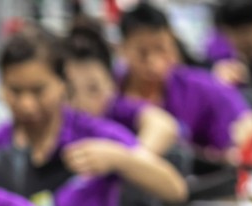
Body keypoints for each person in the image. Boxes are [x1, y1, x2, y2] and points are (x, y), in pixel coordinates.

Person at [0, 28, 188, 206]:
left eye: (38, 90)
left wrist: (119, 159)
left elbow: (175, 189)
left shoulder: (94, 134)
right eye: (15, 91)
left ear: (63, 84)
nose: (27, 104)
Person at [118, 2, 252, 165]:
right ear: (123, 50)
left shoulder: (196, 84)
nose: (154, 62)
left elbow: (246, 118)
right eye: (142, 53)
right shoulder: (110, 95)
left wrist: (244, 139)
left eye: (161, 49)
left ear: (173, 43)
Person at [63, 19, 180, 155]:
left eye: (93, 89)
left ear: (111, 85)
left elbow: (163, 124)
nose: (80, 102)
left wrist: (131, 162)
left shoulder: (117, 108)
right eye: (69, 92)